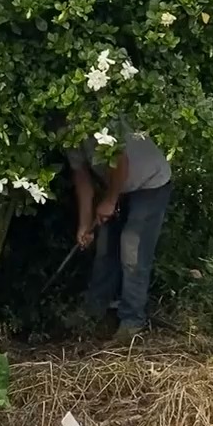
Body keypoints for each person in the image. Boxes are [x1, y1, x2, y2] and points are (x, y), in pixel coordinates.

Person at [67, 122, 171, 342]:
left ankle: (132, 322)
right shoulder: (68, 133)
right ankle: (93, 313)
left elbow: (120, 162)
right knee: (105, 249)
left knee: (133, 250)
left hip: (150, 183)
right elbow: (82, 178)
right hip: (120, 184)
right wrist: (84, 224)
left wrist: (110, 200)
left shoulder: (101, 121)